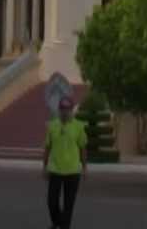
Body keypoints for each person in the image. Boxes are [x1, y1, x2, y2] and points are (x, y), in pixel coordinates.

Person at [43, 96, 87, 229]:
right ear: (59, 109)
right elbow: (47, 147)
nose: (65, 111)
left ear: (72, 110)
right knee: (51, 202)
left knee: (69, 204)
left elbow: (82, 148)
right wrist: (44, 167)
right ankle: (57, 222)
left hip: (73, 171)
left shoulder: (79, 126)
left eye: (67, 108)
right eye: (62, 108)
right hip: (55, 170)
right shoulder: (52, 125)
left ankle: (64, 226)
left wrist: (84, 167)